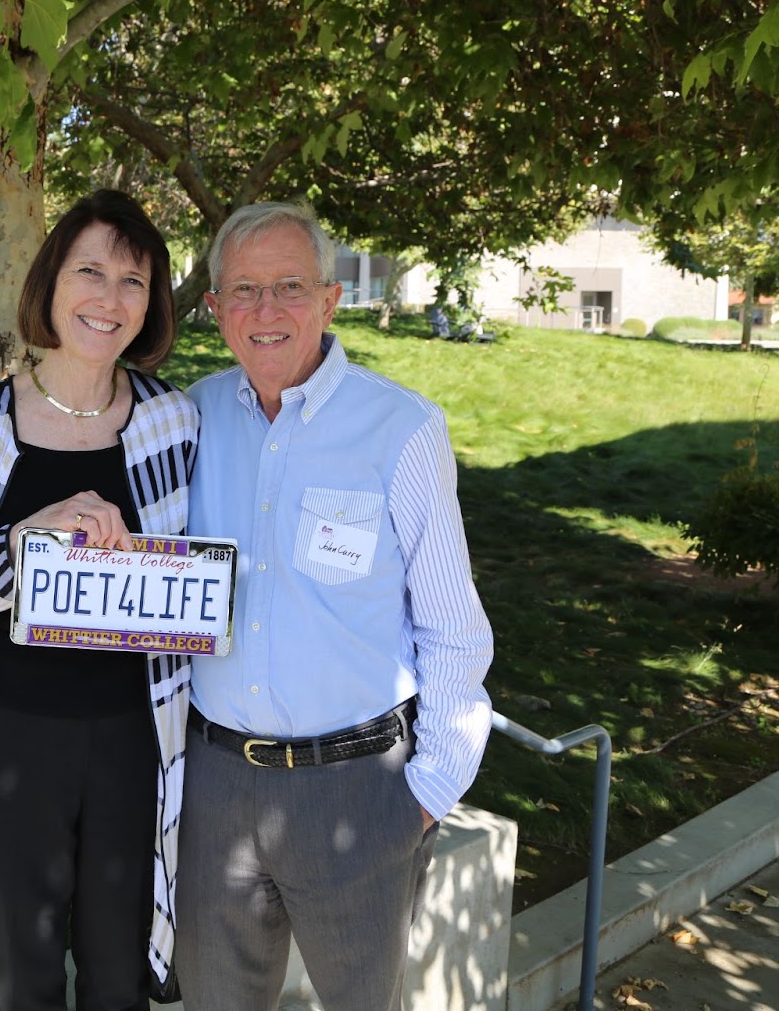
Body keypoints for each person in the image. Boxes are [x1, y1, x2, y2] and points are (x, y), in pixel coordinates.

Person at [174, 201, 494, 1010]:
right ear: (213, 311)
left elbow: (453, 628)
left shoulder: (403, 430)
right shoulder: (188, 419)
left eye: (290, 286)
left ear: (330, 300)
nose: (267, 311)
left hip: (360, 792)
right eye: (243, 290)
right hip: (215, 786)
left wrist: (427, 793)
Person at [0, 189, 200, 1011]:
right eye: (89, 270)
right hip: (6, 743)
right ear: (50, 283)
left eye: (134, 280)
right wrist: (18, 546)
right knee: (25, 981)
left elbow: (201, 579)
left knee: (118, 974)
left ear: (153, 302)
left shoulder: (176, 424)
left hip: (137, 738)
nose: (109, 297)